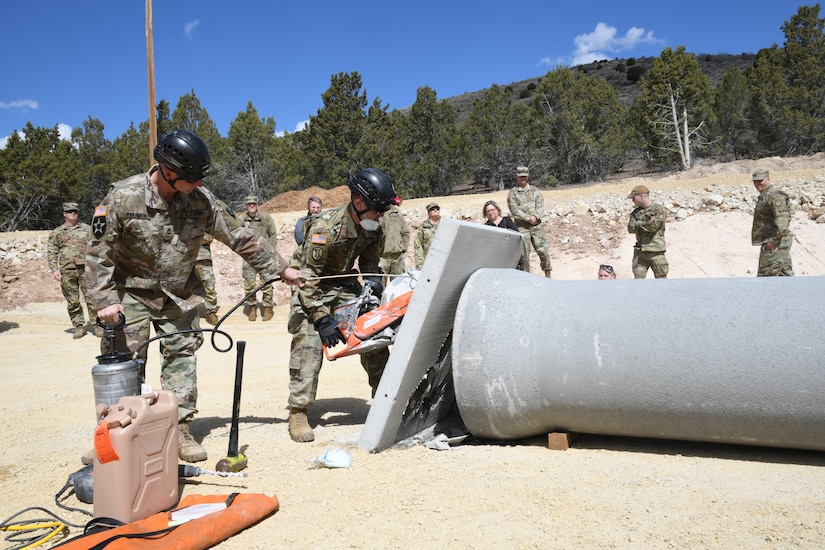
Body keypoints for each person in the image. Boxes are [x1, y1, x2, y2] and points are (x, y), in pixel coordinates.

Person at [85, 129, 302, 463]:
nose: (199, 185)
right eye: (192, 179)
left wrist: (280, 269)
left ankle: (178, 429)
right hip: (131, 294)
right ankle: (116, 436)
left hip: (179, 294)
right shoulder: (123, 197)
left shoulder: (201, 200)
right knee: (126, 366)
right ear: (169, 173)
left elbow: (240, 236)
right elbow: (98, 252)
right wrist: (104, 301)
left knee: (181, 361)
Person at [286, 168, 400, 443]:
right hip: (312, 286)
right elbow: (308, 277)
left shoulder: (375, 224)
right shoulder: (324, 227)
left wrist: (372, 282)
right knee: (309, 341)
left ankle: (386, 402)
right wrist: (322, 318)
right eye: (378, 211)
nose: (381, 216)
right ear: (359, 204)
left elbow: (371, 261)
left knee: (374, 334)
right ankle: (299, 411)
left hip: (345, 285)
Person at [47, 201, 96, 339]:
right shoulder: (57, 232)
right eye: (69, 211)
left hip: (86, 269)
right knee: (72, 300)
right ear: (64, 214)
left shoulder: (88, 229)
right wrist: (54, 269)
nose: (73, 213)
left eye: (75, 211)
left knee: (92, 298)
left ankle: (97, 325)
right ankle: (78, 326)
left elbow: (96, 247)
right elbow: (52, 252)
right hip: (67, 270)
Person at [238, 195, 279, 321]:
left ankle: (267, 307)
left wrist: (269, 250)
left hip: (264, 256)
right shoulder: (241, 219)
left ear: (257, 205)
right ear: (246, 206)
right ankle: (252, 307)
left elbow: (273, 234)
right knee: (249, 283)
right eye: (249, 204)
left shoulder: (266, 218)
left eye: (254, 204)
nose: (252, 206)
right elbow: (236, 236)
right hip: (249, 256)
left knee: (266, 282)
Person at [507, 166, 552, 277]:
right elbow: (514, 209)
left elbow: (541, 206)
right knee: (524, 254)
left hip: (537, 226)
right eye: (521, 176)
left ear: (528, 177)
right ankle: (526, 277)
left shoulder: (535, 191)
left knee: (543, 251)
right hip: (522, 227)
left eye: (525, 176)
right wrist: (528, 218)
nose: (523, 179)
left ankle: (548, 275)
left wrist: (536, 217)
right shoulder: (513, 193)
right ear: (517, 177)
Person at [751, 169, 794, 276]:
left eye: (760, 181)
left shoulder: (774, 196)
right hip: (775, 242)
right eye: (755, 181)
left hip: (775, 243)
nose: (757, 184)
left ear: (768, 179)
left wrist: (773, 242)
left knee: (765, 278)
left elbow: (783, 222)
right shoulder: (766, 195)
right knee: (785, 275)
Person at [627, 185, 668, 279]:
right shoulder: (635, 213)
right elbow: (630, 228)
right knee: (638, 282)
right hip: (640, 252)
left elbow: (654, 227)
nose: (632, 200)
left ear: (641, 196)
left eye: (633, 198)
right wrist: (646, 223)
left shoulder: (659, 210)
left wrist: (638, 224)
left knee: (662, 281)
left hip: (656, 251)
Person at [483, 200, 524, 270]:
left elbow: (517, 235)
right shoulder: (486, 226)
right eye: (488, 211)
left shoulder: (507, 221)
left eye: (492, 210)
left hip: (511, 255)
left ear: (497, 210)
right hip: (496, 258)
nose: (490, 212)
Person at [378, 203, 411, 286]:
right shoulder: (376, 211)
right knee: (379, 287)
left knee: (399, 286)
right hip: (381, 257)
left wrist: (403, 248)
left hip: (397, 257)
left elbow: (405, 232)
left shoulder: (396, 212)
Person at [194, 233, 219, 325]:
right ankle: (189, 314)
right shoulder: (180, 220)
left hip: (203, 258)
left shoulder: (203, 219)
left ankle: (211, 312)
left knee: (209, 285)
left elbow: (209, 237)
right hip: (184, 259)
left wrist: (190, 239)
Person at [414, 202, 441, 269]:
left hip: (442, 259)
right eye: (432, 209)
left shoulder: (446, 225)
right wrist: (420, 263)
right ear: (428, 213)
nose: (435, 210)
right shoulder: (423, 228)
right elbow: (418, 246)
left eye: (437, 208)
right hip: (428, 260)